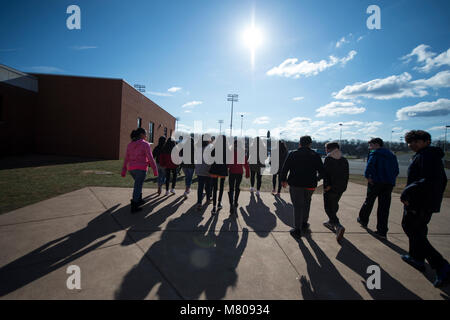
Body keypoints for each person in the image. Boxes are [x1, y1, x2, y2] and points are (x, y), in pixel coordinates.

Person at [400, 130, 450, 287]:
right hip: (422, 201)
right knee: (417, 230)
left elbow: (431, 180)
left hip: (420, 202)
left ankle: (441, 266)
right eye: (410, 141)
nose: (413, 144)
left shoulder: (428, 156)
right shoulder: (425, 155)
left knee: (413, 230)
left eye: (417, 141)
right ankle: (416, 258)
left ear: (427, 141)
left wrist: (408, 191)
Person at [280, 136, 324, 239]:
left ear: (300, 143)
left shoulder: (293, 154)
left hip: (296, 184)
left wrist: (283, 180)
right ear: (310, 144)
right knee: (307, 203)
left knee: (297, 206)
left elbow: (285, 168)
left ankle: (297, 229)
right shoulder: (315, 155)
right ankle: (304, 223)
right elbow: (322, 171)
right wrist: (316, 179)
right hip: (310, 185)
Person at [357, 137, 399, 240]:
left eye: (370, 145)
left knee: (369, 201)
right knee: (384, 207)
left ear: (376, 144)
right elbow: (396, 170)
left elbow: (370, 166)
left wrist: (368, 176)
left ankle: (363, 219)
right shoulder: (391, 154)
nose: (369, 147)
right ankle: (382, 231)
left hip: (375, 182)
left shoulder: (375, 153)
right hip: (388, 183)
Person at [121, 128, 158, 213]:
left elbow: (126, 158)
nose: (147, 136)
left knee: (138, 184)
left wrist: (124, 170)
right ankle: (134, 205)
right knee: (138, 186)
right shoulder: (145, 144)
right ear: (141, 134)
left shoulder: (130, 144)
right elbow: (150, 157)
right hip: (141, 169)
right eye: (146, 134)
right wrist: (155, 170)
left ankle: (139, 200)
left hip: (131, 169)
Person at [322, 142, 349, 242]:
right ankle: (330, 222)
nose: (325, 150)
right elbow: (346, 175)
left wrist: (326, 186)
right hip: (341, 187)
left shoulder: (329, 159)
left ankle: (337, 225)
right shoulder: (344, 159)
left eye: (326, 149)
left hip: (330, 188)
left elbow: (326, 174)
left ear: (329, 149)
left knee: (328, 207)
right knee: (334, 204)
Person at [227, 139, 250, 215]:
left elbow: (228, 163)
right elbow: (246, 164)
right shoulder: (242, 153)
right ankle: (235, 201)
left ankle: (231, 204)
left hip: (232, 172)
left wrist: (227, 168)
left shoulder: (231, 152)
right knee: (237, 187)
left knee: (231, 188)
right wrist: (247, 173)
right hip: (239, 172)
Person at [209, 135, 228, 215]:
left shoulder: (215, 148)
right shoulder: (227, 149)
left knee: (215, 188)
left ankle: (213, 207)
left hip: (214, 169)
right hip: (223, 169)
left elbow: (211, 157)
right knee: (221, 187)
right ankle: (219, 203)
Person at [195, 137, 213, 210]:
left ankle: (199, 202)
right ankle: (208, 199)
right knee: (208, 186)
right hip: (208, 170)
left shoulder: (198, 149)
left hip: (200, 170)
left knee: (200, 187)